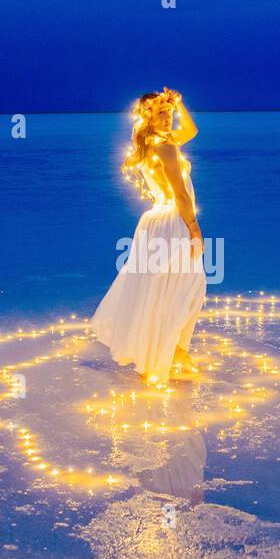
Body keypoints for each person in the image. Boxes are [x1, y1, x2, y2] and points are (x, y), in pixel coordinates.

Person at [92, 88, 206, 383]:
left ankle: (172, 352)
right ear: (149, 118)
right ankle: (172, 353)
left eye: (169, 113)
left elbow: (191, 130)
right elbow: (181, 194)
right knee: (187, 290)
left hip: (155, 222)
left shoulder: (150, 145)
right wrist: (194, 228)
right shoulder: (165, 148)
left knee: (166, 291)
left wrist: (179, 104)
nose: (168, 118)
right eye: (161, 113)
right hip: (173, 223)